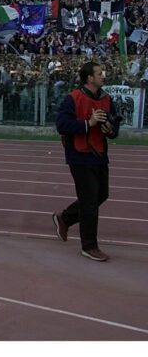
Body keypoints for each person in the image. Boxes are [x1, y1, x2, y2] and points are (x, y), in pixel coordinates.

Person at [53, 61, 120, 261]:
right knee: (89, 200)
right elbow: (62, 125)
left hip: (99, 153)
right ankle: (89, 246)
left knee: (101, 194)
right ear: (89, 78)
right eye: (99, 73)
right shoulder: (73, 99)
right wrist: (87, 124)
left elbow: (114, 125)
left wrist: (110, 130)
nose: (103, 76)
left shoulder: (107, 99)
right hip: (79, 155)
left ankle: (65, 218)